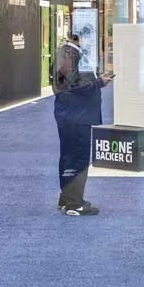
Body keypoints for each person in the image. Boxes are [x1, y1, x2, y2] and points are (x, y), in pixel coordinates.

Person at [52, 31, 112, 215]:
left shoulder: (70, 54)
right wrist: (98, 83)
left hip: (74, 114)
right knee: (77, 157)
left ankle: (67, 198)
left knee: (70, 155)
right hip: (76, 116)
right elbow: (70, 85)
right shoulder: (69, 54)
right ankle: (74, 203)